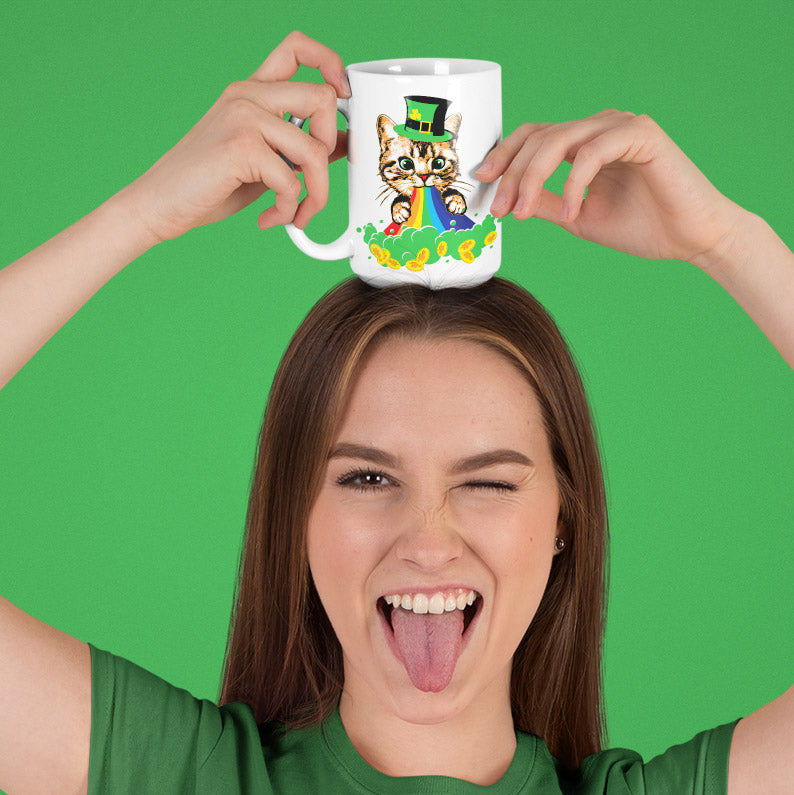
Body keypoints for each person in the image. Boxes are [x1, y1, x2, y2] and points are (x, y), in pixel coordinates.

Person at [0, 29, 791, 794]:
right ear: (296, 513)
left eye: (488, 483)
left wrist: (727, 239)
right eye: (369, 475)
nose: (428, 540)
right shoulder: (181, 774)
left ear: (563, 520)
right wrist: (141, 214)